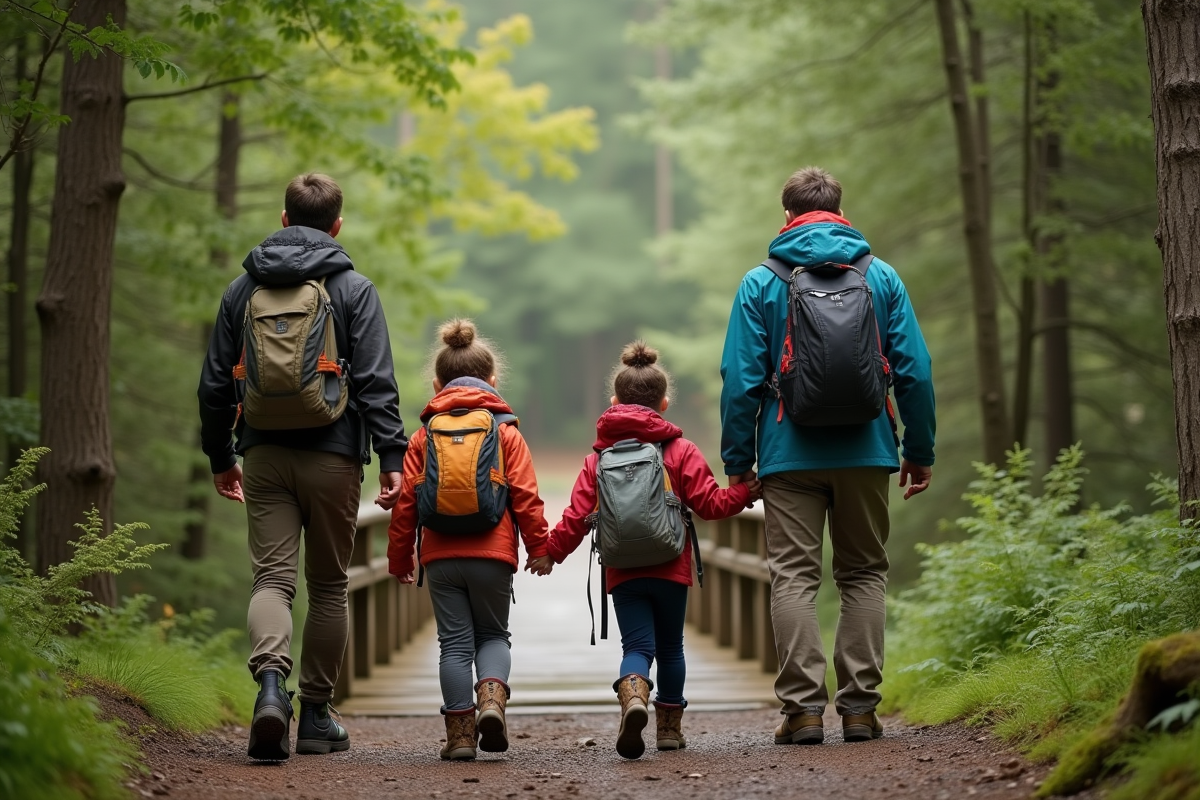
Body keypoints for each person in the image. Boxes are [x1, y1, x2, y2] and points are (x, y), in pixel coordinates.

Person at [719, 166, 935, 745]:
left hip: (790, 453)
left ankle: (803, 712)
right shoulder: (880, 276)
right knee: (863, 573)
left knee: (793, 576)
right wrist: (918, 449)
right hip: (868, 449)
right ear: (841, 210)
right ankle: (860, 710)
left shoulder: (760, 282)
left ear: (786, 216)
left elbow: (740, 379)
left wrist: (739, 462)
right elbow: (913, 369)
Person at [198, 173, 408, 760]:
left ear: (285, 219)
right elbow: (374, 382)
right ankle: (315, 715)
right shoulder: (354, 289)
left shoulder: (243, 290)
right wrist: (392, 457)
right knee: (330, 585)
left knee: (272, 581)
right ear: (336, 225)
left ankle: (270, 688)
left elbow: (215, 384)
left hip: (262, 453)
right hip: (335, 455)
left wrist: (221, 456)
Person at [540, 341, 761, 760]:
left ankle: (634, 697)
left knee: (637, 648)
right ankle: (669, 731)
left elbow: (577, 515)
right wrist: (746, 491)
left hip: (623, 568)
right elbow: (711, 505)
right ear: (663, 402)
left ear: (614, 402)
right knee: (671, 647)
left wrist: (550, 552)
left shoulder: (598, 459)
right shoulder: (680, 451)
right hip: (670, 563)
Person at [387, 319, 551, 761]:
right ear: (493, 382)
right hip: (493, 553)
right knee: (494, 635)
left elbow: (406, 503)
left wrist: (400, 556)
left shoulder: (424, 435)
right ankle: (492, 703)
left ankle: (460, 737)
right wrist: (539, 547)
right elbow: (526, 496)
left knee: (454, 645)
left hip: (440, 556)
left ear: (437, 384)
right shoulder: (506, 432)